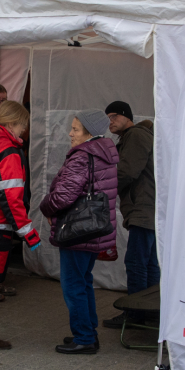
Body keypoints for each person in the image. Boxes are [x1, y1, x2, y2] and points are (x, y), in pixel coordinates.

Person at [39, 110, 118, 355]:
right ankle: (87, 331)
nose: (70, 133)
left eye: (75, 129)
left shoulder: (82, 156)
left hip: (78, 230)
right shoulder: (105, 151)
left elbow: (64, 195)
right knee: (84, 281)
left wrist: (45, 206)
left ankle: (84, 337)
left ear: (89, 132)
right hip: (95, 229)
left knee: (74, 284)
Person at [0, 101, 41, 349]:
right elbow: (12, 198)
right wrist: (29, 234)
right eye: (23, 126)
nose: (24, 132)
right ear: (12, 123)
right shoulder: (9, 152)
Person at [104, 100, 159, 328]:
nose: (111, 121)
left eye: (115, 116)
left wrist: (102, 186)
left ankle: (135, 313)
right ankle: (151, 312)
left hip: (143, 208)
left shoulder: (136, 135)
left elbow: (128, 171)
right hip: (149, 208)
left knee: (137, 262)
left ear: (127, 116)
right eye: (109, 118)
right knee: (149, 262)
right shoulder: (134, 137)